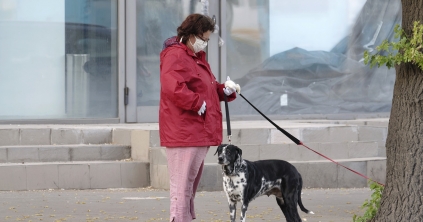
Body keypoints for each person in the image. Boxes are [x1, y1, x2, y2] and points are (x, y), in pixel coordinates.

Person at [159, 13, 241, 222]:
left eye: (208, 39)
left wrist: (225, 91)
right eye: (204, 38)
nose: (205, 43)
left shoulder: (195, 58)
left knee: (188, 185)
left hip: (196, 132)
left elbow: (207, 90)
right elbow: (172, 87)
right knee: (181, 186)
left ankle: (184, 218)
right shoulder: (175, 55)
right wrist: (196, 103)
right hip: (184, 132)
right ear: (191, 34)